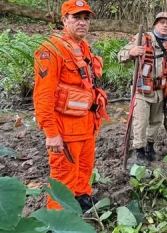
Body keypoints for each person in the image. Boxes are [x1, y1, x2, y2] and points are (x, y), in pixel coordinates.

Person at [33, 0, 109, 211]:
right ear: (64, 20)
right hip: (65, 132)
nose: (82, 23)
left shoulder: (84, 48)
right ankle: (58, 218)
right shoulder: (50, 50)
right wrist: (51, 133)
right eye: (76, 17)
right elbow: (43, 96)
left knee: (84, 170)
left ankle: (83, 201)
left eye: (86, 18)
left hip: (87, 127)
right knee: (62, 177)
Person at [118, 12, 167, 166]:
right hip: (141, 91)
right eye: (162, 22)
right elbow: (120, 55)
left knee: (155, 122)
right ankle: (139, 151)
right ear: (155, 24)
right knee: (141, 121)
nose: (165, 25)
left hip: (160, 91)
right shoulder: (142, 39)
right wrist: (131, 53)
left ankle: (149, 147)